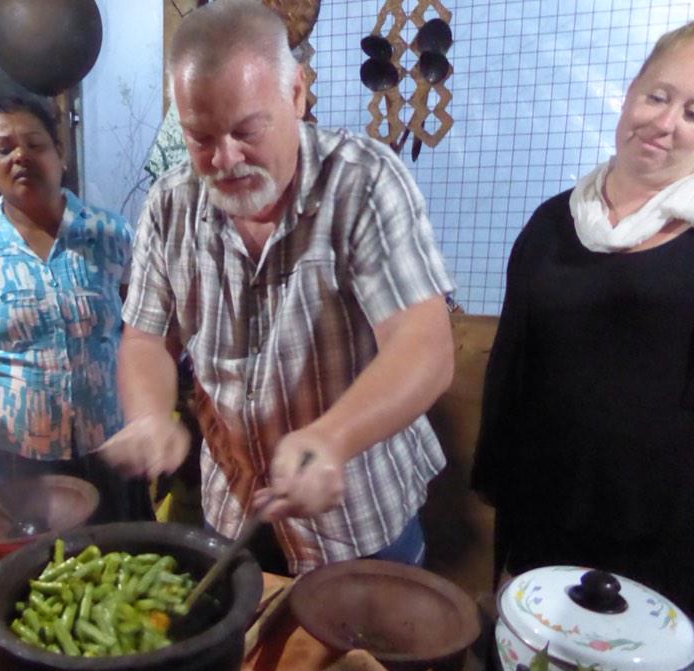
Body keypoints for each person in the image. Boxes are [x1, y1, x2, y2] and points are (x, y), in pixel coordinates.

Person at [99, 0, 456, 575]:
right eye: (200, 138)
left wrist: (333, 438)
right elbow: (146, 339)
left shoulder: (363, 182)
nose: (225, 159)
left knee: (365, 665)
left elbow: (426, 346)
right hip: (235, 514)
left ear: (295, 94)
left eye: (246, 130)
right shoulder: (170, 204)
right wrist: (148, 415)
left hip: (358, 520)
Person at [472, 22, 694, 614]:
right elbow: (511, 365)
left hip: (663, 533)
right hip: (542, 509)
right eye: (657, 96)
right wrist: (497, 483)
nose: (666, 122)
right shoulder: (552, 223)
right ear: (630, 94)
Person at [0, 98, 149, 522]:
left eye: (34, 144)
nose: (20, 156)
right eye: (4, 149)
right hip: (14, 465)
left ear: (60, 153)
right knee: (32, 580)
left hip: (110, 452)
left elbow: (141, 331)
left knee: (123, 574)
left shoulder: (111, 235)